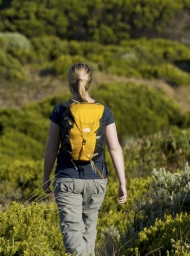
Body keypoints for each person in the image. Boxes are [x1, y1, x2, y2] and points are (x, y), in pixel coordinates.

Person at [43, 63, 127, 255]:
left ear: (69, 84)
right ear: (90, 83)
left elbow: (50, 149)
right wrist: (122, 182)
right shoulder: (104, 112)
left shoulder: (60, 110)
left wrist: (45, 177)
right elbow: (115, 148)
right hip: (97, 180)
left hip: (66, 178)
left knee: (72, 232)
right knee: (89, 232)